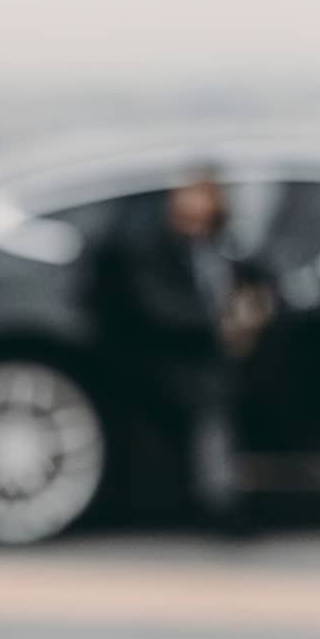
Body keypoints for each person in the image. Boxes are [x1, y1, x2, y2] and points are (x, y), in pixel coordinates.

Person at [88, 167, 256, 527]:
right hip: (162, 357)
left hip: (211, 355)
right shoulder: (148, 244)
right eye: (192, 194)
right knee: (211, 397)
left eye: (207, 195)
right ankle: (218, 498)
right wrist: (220, 327)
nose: (200, 204)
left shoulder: (221, 246)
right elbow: (156, 309)